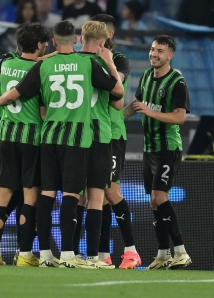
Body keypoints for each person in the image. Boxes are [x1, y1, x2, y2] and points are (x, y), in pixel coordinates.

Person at [0, 20, 124, 268]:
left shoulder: (44, 65)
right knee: (71, 195)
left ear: (53, 42)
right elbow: (117, 93)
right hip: (77, 138)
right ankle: (69, 254)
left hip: (48, 137)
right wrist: (109, 61)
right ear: (75, 40)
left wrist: (2, 98)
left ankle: (45, 254)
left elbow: (16, 93)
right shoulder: (86, 64)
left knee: (47, 194)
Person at [0, 22, 51, 267]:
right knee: (29, 197)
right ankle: (24, 255)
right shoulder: (42, 70)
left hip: (5, 135)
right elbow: (43, 111)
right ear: (41, 44)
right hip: (31, 138)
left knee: (1, 196)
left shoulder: (6, 63)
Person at [123, 35, 192, 270]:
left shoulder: (177, 82)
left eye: (160, 51)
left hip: (167, 148)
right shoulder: (145, 76)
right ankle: (163, 254)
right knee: (154, 203)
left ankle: (181, 251)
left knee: (159, 198)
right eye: (152, 49)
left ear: (170, 55)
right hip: (149, 148)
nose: (153, 54)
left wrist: (149, 113)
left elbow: (180, 117)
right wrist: (114, 119)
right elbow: (136, 106)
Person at [90, 13, 142, 270]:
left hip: (112, 133)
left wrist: (104, 61)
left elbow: (116, 85)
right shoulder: (88, 59)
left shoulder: (119, 59)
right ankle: (102, 254)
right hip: (91, 133)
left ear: (108, 35)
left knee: (111, 192)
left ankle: (131, 251)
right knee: (94, 194)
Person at [75, 20, 124, 270]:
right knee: (96, 198)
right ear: (103, 43)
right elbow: (118, 98)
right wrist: (110, 62)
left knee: (73, 196)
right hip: (98, 136)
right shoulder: (99, 64)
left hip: (71, 136)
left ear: (81, 38)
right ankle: (94, 256)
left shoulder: (69, 63)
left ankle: (69, 255)